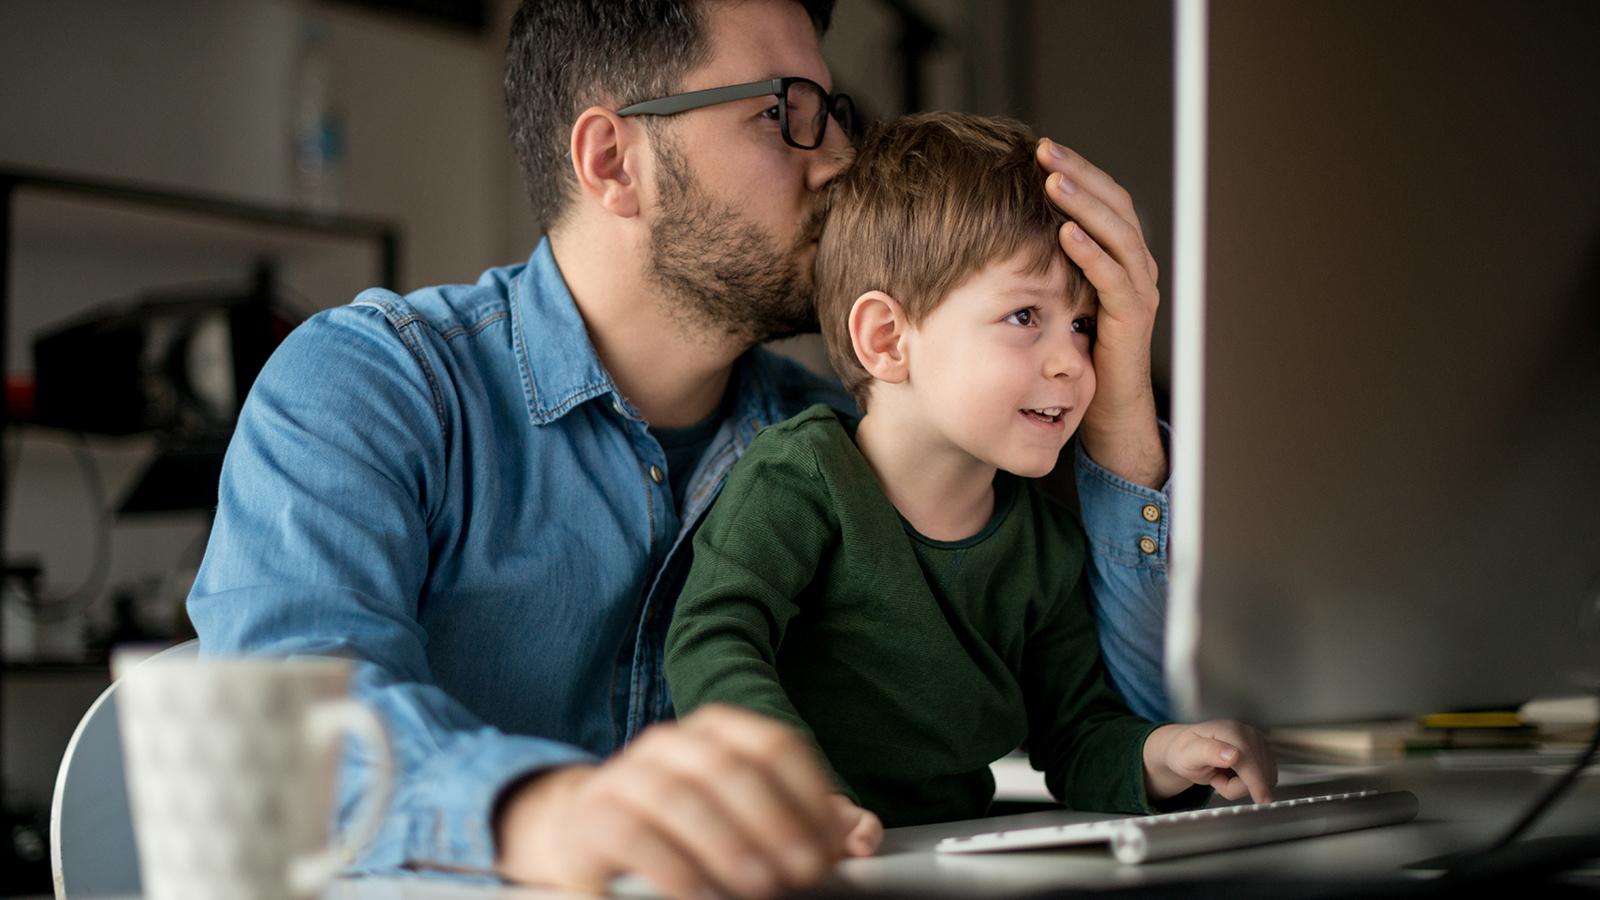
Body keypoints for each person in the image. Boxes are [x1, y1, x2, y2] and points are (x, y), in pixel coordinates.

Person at [186, 0, 1174, 897]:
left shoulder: (848, 444)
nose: (835, 162)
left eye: (834, 113)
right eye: (782, 112)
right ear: (613, 160)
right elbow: (287, 745)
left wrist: (1121, 400)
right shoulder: (377, 387)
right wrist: (547, 812)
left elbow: (1125, 717)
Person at [663, 113, 1273, 832]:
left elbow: (1076, 736)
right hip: (789, 857)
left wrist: (1166, 755)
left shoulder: (1044, 545)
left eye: (1082, 325)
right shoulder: (798, 478)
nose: (1071, 363)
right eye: (1024, 316)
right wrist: (797, 794)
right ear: (886, 340)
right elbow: (711, 636)